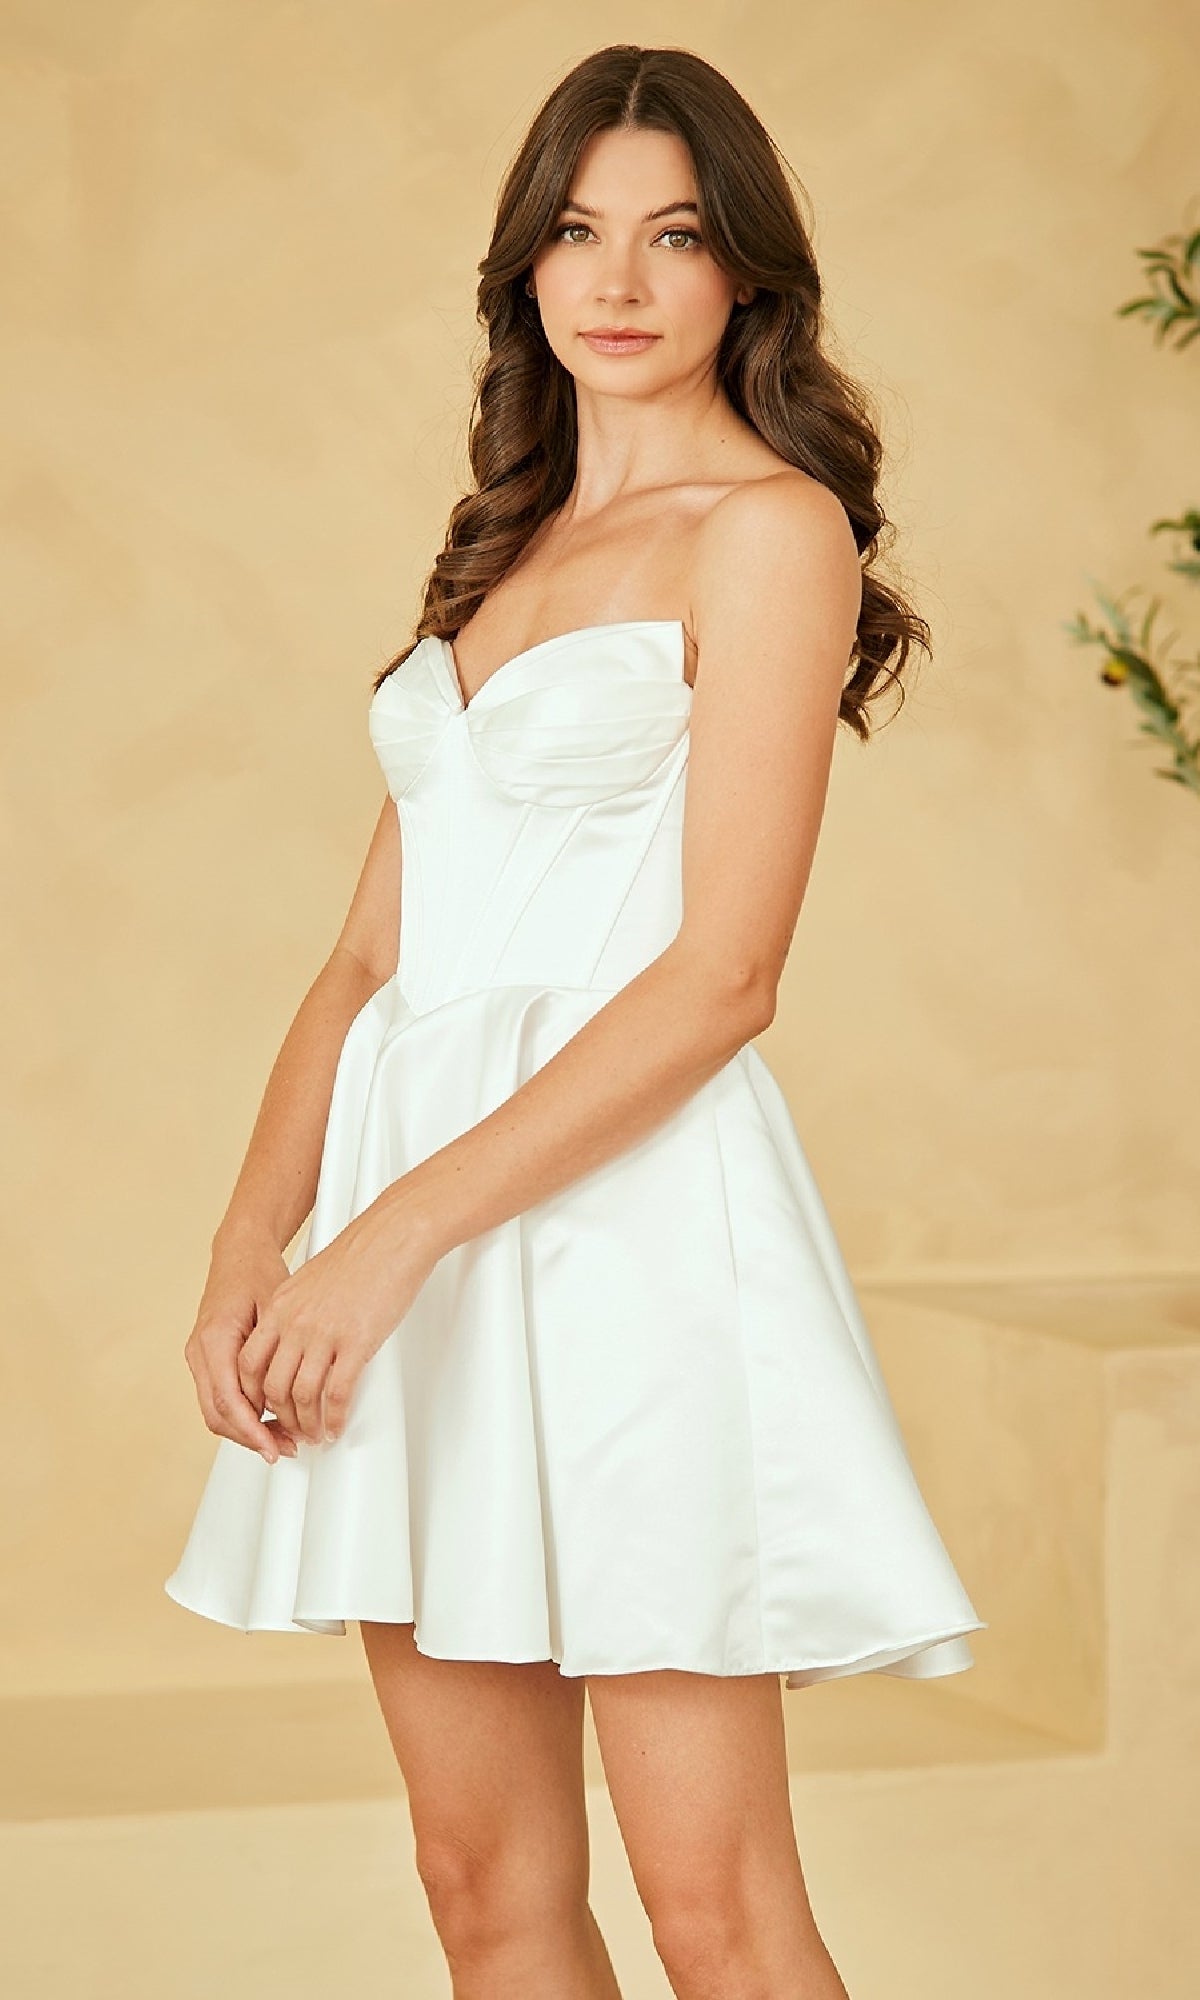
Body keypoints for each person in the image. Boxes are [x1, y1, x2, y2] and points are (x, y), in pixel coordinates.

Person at [165, 43, 985, 2000]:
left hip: (624, 1242)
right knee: (486, 1893)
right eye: (578, 230)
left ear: (744, 279)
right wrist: (250, 1242)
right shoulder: (501, 551)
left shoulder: (769, 529)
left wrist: (383, 1241)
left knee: (715, 1907)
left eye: (675, 234)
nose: (618, 278)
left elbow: (723, 975)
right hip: (410, 1253)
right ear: (526, 270)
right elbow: (370, 961)